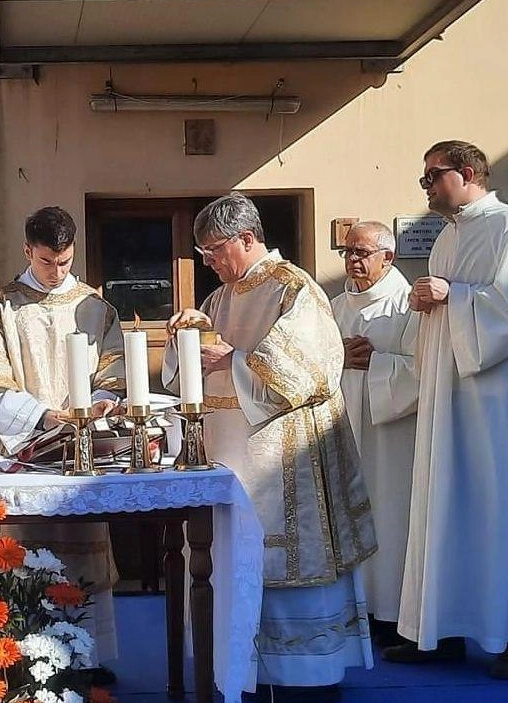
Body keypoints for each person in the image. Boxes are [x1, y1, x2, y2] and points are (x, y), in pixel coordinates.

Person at [162, 193, 377, 702]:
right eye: (203, 252)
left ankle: (307, 681)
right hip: (232, 457)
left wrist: (234, 358)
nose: (209, 262)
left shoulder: (295, 288)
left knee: (290, 564)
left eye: (215, 250)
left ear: (248, 238)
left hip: (287, 459)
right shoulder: (219, 299)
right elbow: (194, 376)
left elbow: (312, 372)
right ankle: (244, 672)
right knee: (237, 564)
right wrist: (186, 340)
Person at [386, 141, 508, 679]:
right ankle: (440, 631)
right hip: (450, 400)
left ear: (466, 173)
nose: (427, 188)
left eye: (432, 177)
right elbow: (442, 312)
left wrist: (453, 296)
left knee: (501, 504)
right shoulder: (447, 237)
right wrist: (428, 303)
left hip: (500, 400)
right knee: (446, 507)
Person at [0, 206, 124, 678]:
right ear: (28, 250)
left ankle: (86, 656)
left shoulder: (95, 307)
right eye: (48, 261)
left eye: (66, 261)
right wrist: (41, 415)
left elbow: (113, 373)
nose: (57, 272)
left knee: (81, 547)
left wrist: (98, 404)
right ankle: (20, 659)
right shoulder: (1, 309)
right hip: (25, 449)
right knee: (21, 552)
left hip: (80, 449)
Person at [329, 221, 419, 646]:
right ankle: (352, 611)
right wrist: (335, 357)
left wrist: (377, 364)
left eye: (362, 252)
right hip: (343, 429)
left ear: (389, 256)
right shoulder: (333, 306)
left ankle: (392, 615)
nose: (353, 260)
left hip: (393, 438)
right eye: (348, 252)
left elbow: (429, 371)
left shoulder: (410, 305)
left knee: (392, 518)